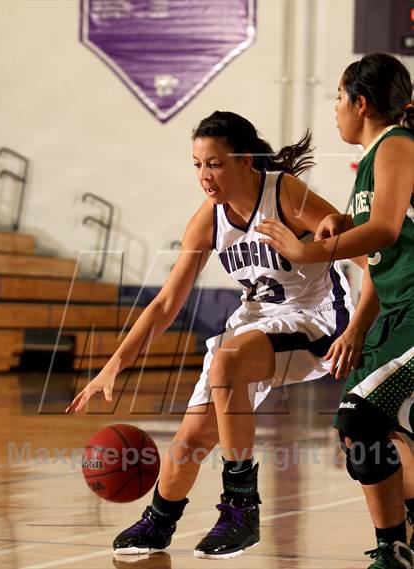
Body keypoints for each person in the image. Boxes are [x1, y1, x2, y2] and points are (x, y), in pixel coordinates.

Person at [66, 110, 356, 559]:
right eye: (198, 164)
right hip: (256, 319)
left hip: (315, 317)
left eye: (215, 163)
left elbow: (363, 246)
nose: (204, 175)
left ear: (245, 162)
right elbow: (165, 304)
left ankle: (242, 508)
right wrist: (112, 367)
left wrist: (360, 326)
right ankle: (160, 520)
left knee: (227, 360)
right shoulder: (209, 218)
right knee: (190, 440)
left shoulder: (286, 195)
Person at [256, 52, 414, 568]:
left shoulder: (396, 145)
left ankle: (395, 548)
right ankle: (396, 545)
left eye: (338, 98)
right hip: (394, 311)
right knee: (365, 433)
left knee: (360, 417)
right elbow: (380, 252)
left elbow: (387, 230)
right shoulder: (375, 160)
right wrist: (355, 328)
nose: (335, 109)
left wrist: (308, 250)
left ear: (360, 102)